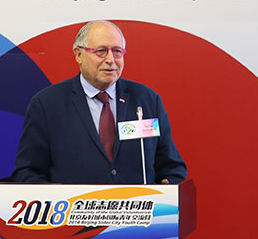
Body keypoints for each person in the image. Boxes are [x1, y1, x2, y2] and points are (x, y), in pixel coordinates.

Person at [12, 20, 187, 184]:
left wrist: (166, 192)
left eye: (117, 51)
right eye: (101, 51)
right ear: (79, 55)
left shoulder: (147, 100)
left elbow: (172, 168)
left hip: (137, 206)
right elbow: (28, 172)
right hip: (73, 206)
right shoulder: (47, 104)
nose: (110, 60)